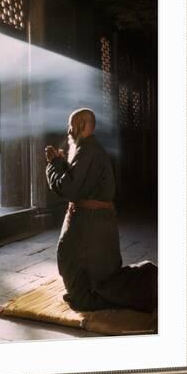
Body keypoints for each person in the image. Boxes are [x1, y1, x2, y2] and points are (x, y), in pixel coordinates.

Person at [45, 108, 157, 313]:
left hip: (91, 227)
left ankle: (151, 282)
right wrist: (61, 163)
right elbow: (76, 179)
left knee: (88, 294)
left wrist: (53, 165)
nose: (68, 131)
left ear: (78, 125)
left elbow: (70, 188)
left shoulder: (88, 150)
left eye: (71, 125)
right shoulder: (87, 150)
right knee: (95, 277)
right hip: (94, 224)